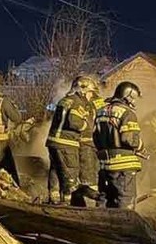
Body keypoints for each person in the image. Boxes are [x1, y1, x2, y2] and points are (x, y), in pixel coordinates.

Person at [47, 75, 98, 204]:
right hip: (66, 143)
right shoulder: (78, 102)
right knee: (70, 175)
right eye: (90, 93)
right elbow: (74, 121)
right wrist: (87, 126)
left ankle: (54, 197)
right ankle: (68, 204)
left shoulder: (65, 100)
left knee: (57, 170)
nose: (91, 96)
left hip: (54, 142)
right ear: (83, 90)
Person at [93, 81, 144, 209]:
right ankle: (124, 221)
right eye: (134, 98)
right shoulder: (127, 113)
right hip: (124, 167)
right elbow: (129, 140)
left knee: (105, 200)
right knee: (125, 200)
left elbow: (95, 137)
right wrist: (141, 147)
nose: (135, 102)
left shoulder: (101, 111)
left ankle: (100, 221)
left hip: (105, 165)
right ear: (127, 96)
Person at [71, 80, 104, 207]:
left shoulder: (86, 103)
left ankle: (88, 204)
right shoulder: (99, 102)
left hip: (87, 143)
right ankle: (91, 204)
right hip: (93, 144)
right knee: (91, 176)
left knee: (87, 176)